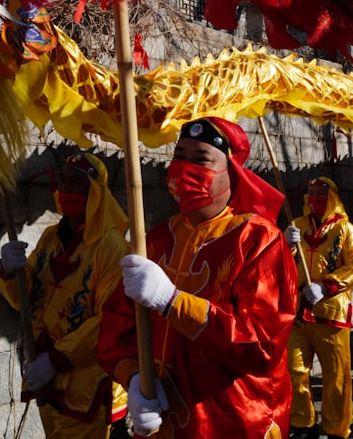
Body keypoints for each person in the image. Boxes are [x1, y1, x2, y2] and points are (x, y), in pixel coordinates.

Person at [98, 116, 298, 438]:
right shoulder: (154, 240)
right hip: (165, 422)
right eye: (179, 157)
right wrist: (134, 379)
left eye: (201, 160)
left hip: (233, 421)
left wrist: (172, 301)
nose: (185, 169)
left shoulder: (258, 239)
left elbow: (262, 344)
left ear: (231, 172)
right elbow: (116, 325)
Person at [0, 152, 130, 438]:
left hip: (87, 381)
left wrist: (56, 360)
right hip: (45, 376)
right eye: (63, 181)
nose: (65, 190)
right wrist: (9, 272)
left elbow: (109, 318)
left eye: (76, 183)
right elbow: (23, 300)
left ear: (94, 192)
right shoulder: (49, 238)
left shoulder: (111, 246)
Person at [284, 177, 353, 439]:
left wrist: (326, 286)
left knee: (336, 378)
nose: (314, 197)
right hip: (298, 312)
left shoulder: (346, 230)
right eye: (310, 192)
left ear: (332, 196)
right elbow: (278, 264)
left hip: (331, 315)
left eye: (321, 193)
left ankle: (336, 429)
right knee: (294, 371)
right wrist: (284, 244)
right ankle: (302, 424)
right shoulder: (296, 225)